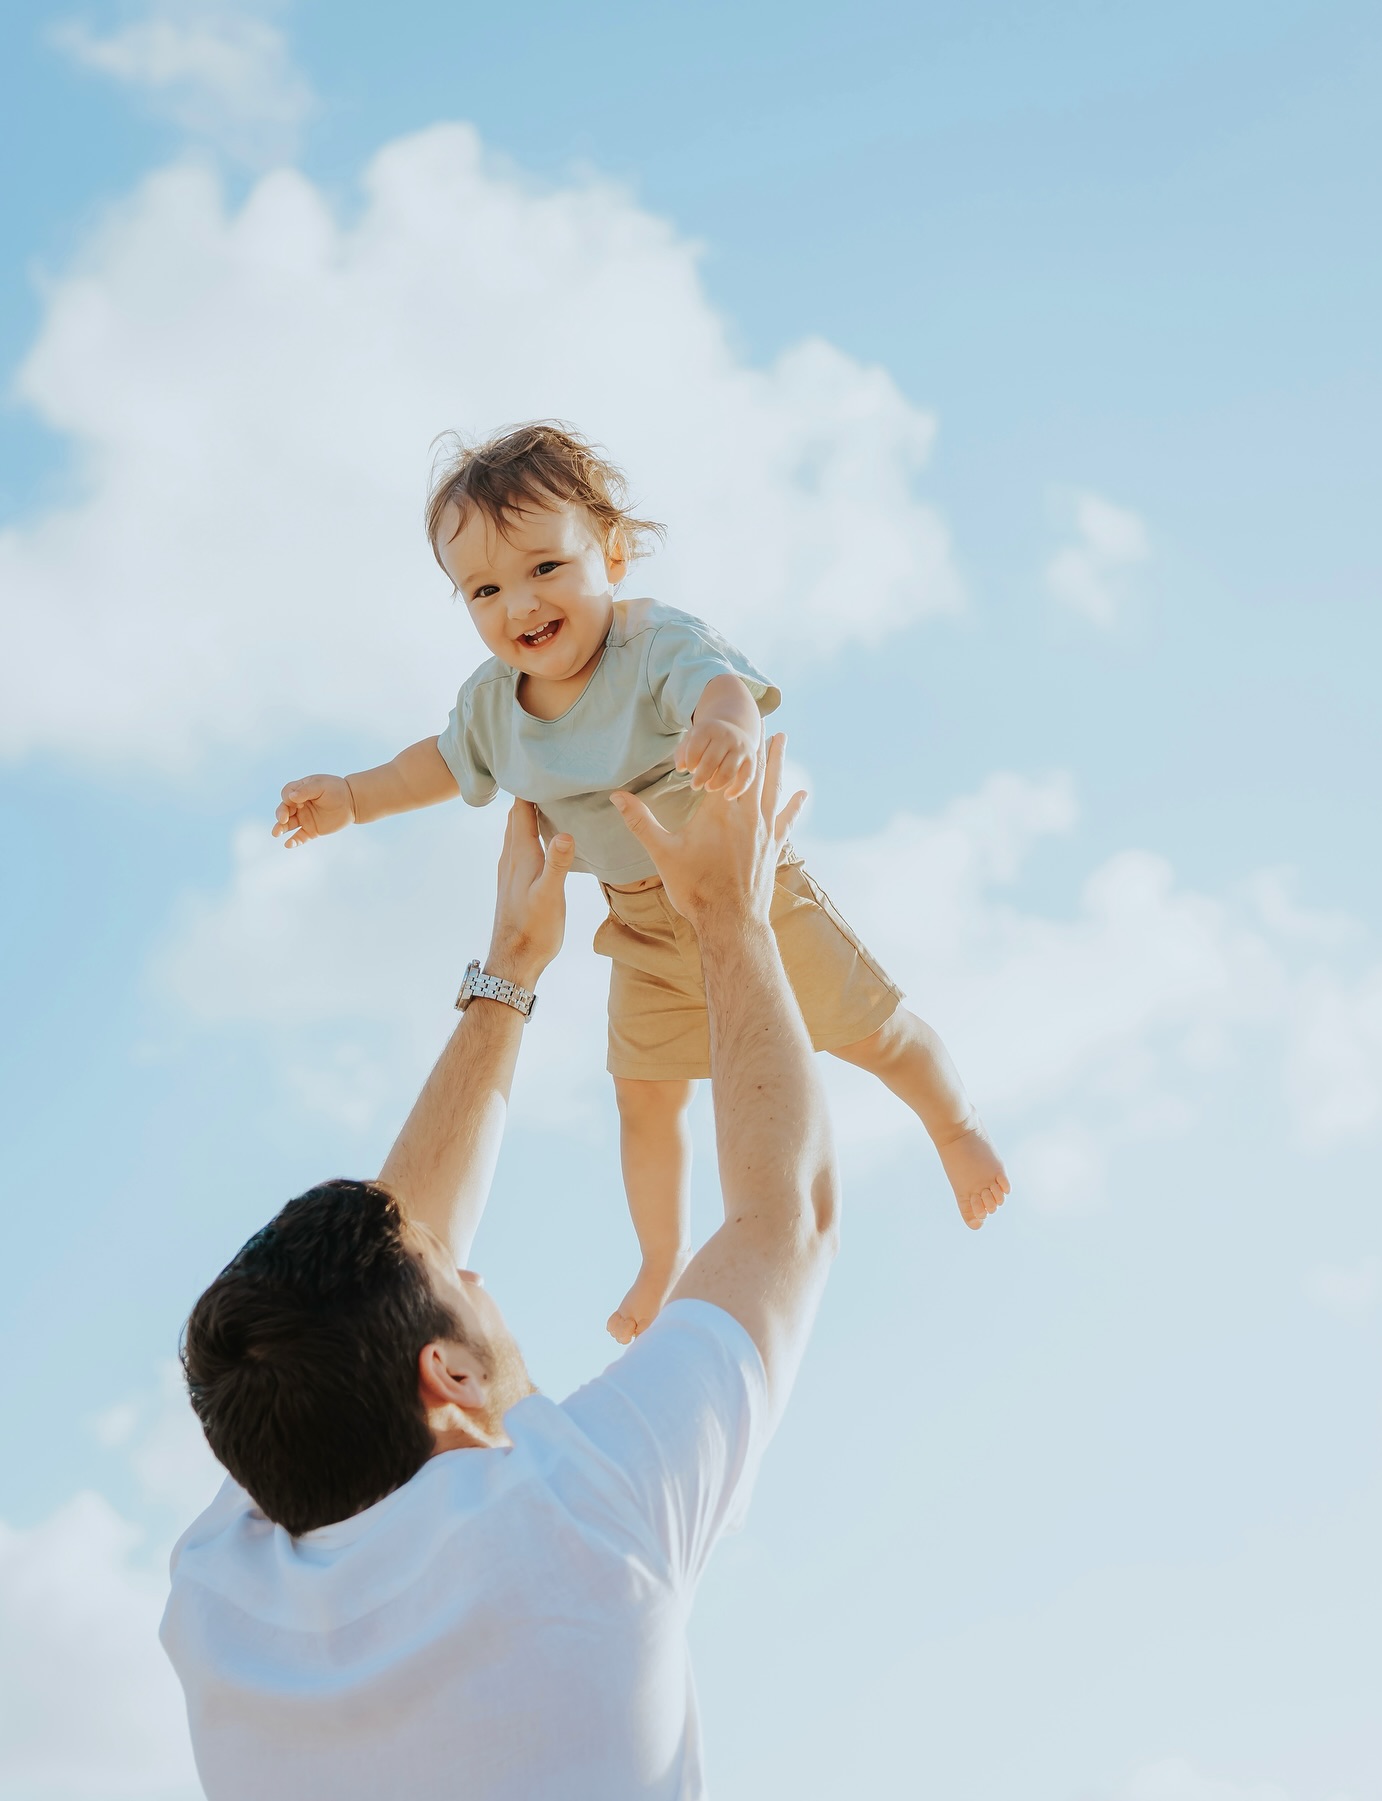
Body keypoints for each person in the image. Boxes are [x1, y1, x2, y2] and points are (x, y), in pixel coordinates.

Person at [163, 739, 836, 1801]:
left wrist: (511, 968)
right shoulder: (584, 1519)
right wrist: (730, 917)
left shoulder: (222, 1600)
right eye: (460, 1277)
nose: (478, 1276)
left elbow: (378, 1294)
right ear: (449, 1375)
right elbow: (783, 1219)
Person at [271, 421, 1008, 1344]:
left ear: (611, 554)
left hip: (750, 894)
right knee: (645, 1096)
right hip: (642, 928)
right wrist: (350, 797)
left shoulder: (651, 645)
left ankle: (955, 1123)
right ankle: (663, 1256)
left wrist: (726, 729)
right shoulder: (493, 707)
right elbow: (434, 764)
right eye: (485, 590)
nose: (519, 604)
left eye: (546, 567)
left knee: (872, 1031)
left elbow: (720, 687)